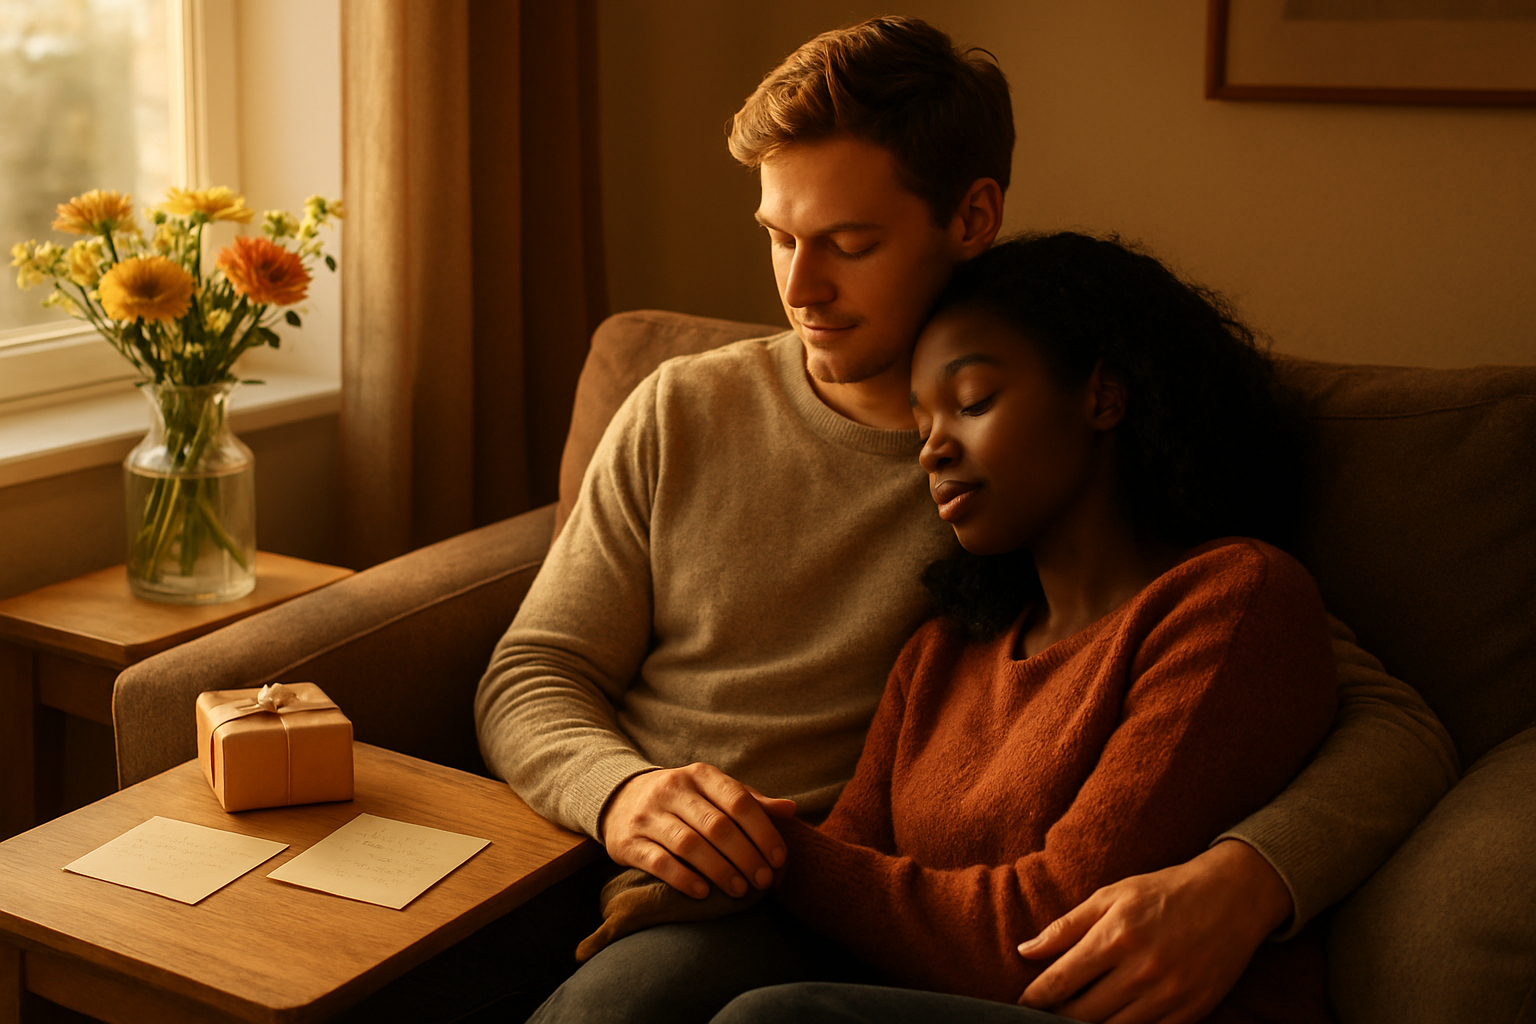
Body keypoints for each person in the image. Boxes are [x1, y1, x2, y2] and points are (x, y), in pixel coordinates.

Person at [474, 15, 1457, 1024]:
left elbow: (1390, 722)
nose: (800, 288)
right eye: (778, 237)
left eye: (849, 243)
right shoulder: (681, 409)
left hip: (823, 906)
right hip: (632, 855)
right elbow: (534, 668)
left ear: (973, 215)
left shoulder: (1043, 464)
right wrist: (621, 794)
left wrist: (1248, 878)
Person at [683, 231, 1339, 1023]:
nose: (933, 450)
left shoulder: (1229, 600)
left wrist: (764, 844)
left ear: (1103, 397)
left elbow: (1047, 930)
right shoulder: (941, 651)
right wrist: (718, 848)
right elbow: (847, 863)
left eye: (972, 403)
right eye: (922, 422)